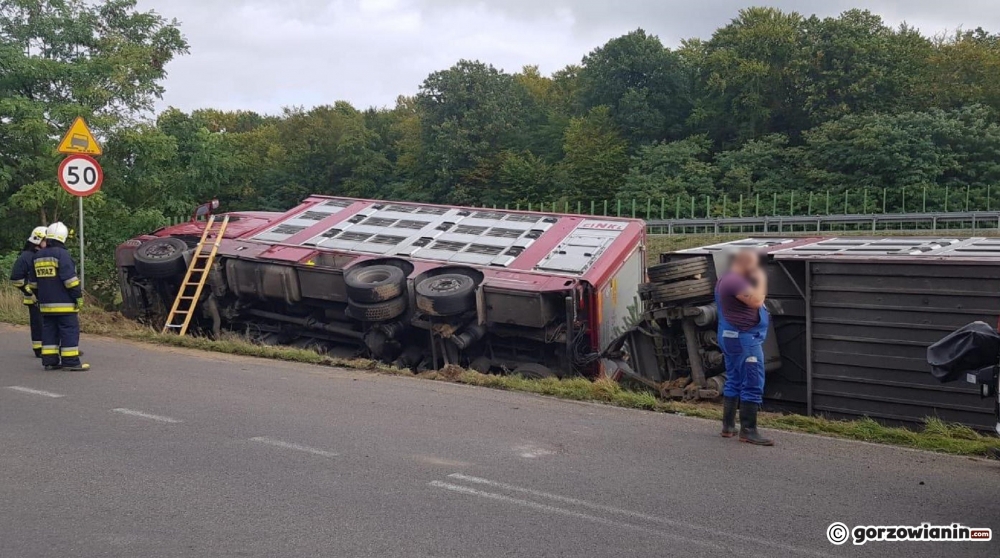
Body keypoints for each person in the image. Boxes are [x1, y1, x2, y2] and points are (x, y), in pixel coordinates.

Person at [715, 249, 772, 446]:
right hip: (743, 338)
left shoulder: (728, 278)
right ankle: (749, 430)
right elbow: (756, 301)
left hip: (734, 336)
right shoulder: (735, 281)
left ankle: (728, 426)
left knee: (734, 379)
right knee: (753, 380)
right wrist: (762, 280)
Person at [29, 222, 90, 372]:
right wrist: (78, 297)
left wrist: (41, 297)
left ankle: (50, 361)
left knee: (49, 331)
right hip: (65, 304)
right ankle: (70, 361)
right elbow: (70, 280)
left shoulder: (37, 256)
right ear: (62, 237)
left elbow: (33, 283)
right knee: (69, 330)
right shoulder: (62, 254)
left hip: (45, 304)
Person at [9, 226, 48, 357]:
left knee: (49, 324)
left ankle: (52, 349)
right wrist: (30, 293)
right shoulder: (26, 257)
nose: (48, 242)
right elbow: (16, 278)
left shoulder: (42, 255)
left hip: (46, 296)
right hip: (34, 299)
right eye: (46, 239)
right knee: (38, 323)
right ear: (38, 240)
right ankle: (39, 349)